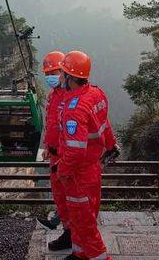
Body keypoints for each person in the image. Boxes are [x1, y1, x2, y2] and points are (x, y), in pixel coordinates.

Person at [57, 50, 119, 260]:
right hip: (92, 168)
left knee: (84, 223)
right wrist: (111, 145)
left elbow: (75, 150)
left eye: (63, 73)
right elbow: (104, 124)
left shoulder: (74, 108)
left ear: (71, 77)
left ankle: (98, 256)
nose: (60, 78)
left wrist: (63, 171)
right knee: (80, 217)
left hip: (79, 173)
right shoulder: (96, 94)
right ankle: (79, 254)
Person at [37, 51, 72, 247]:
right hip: (54, 154)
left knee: (70, 197)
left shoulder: (70, 95)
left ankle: (72, 235)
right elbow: (51, 125)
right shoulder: (53, 95)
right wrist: (47, 147)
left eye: (54, 71)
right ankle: (66, 230)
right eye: (47, 73)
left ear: (64, 71)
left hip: (66, 156)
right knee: (60, 196)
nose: (50, 76)